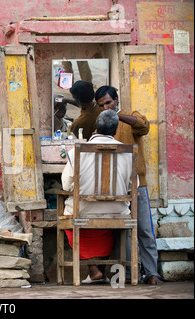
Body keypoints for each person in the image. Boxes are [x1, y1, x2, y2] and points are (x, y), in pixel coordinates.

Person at [95, 85, 163, 285]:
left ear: (116, 100)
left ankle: (152, 273)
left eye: (108, 102)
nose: (105, 107)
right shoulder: (100, 125)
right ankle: (124, 274)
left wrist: (117, 115)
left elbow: (144, 126)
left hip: (136, 183)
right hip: (113, 186)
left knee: (144, 229)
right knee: (120, 231)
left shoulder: (129, 116)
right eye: (101, 105)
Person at [61, 110, 133, 284]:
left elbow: (65, 186)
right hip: (117, 211)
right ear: (115, 130)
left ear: (95, 128)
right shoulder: (128, 152)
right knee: (106, 227)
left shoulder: (76, 151)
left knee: (69, 221)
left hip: (84, 209)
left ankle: (94, 270)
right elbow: (133, 186)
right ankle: (98, 272)